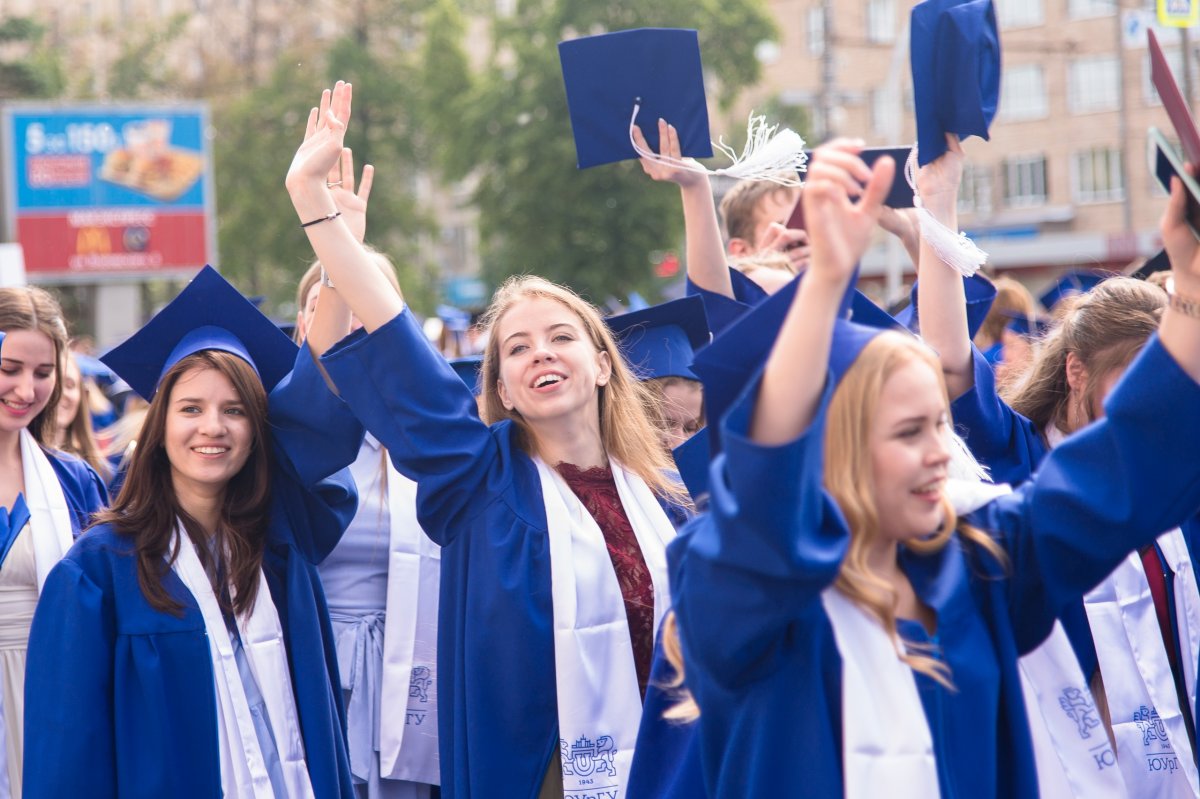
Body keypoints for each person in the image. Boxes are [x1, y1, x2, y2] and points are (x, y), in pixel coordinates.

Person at [667, 139, 1200, 798]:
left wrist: (1191, 291)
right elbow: (762, 497)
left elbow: (1120, 468)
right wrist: (827, 281)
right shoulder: (742, 595)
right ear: (833, 444)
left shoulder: (974, 563)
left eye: (940, 426)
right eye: (909, 431)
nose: (940, 451)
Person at [288, 81, 682, 798]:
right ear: (499, 386)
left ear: (601, 364)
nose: (541, 354)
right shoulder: (481, 477)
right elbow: (397, 337)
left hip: (672, 763)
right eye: (518, 348)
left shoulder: (663, 497)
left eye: (561, 337)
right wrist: (321, 214)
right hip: (546, 776)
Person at [23, 266, 363, 798]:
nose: (212, 427)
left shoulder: (279, 547)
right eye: (190, 409)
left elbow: (320, 427)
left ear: (258, 430)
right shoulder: (97, 572)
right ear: (158, 427)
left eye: (234, 410)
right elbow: (69, 751)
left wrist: (337, 256)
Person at [294, 140, 442, 799]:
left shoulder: (436, 439)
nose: (355, 314)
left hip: (418, 677)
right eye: (337, 296)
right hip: (316, 664)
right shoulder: (285, 435)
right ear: (307, 321)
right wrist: (336, 241)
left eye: (371, 299)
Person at [0, 287, 107, 797]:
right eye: (11, 368)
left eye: (43, 374)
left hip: (52, 692)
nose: (26, 389)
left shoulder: (74, 482)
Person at [48, 349, 109, 480]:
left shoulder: (100, 472)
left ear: (83, 395)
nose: (60, 393)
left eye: (69, 385)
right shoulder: (20, 464)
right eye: (53, 383)